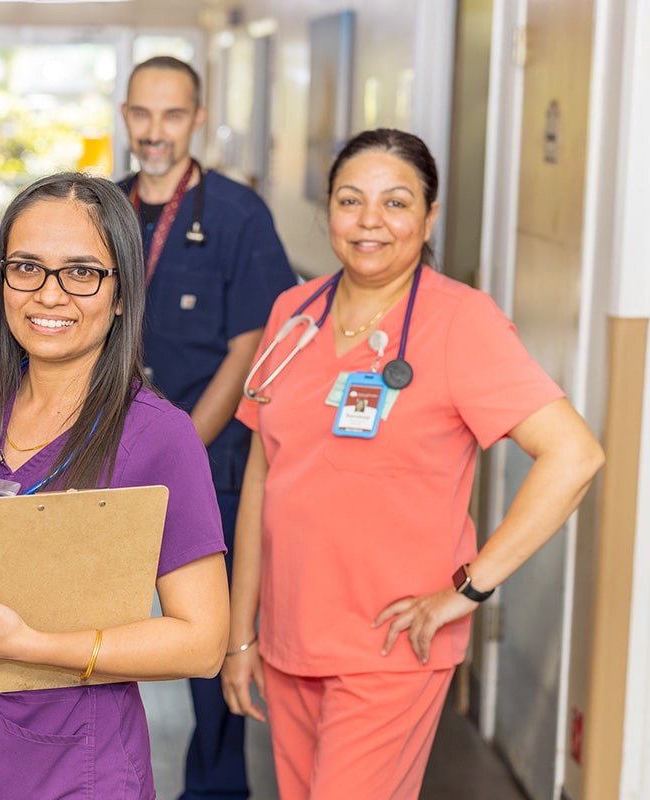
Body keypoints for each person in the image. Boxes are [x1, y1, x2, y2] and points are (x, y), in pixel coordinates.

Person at [220, 128, 604, 799]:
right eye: (350, 200)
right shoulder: (293, 314)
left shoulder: (461, 322)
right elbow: (261, 478)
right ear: (329, 212)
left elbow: (574, 454)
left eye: (396, 202)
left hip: (389, 644)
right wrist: (239, 635)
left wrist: (469, 587)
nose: (370, 221)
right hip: (288, 641)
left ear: (429, 218)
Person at [0, 173, 230, 799]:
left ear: (122, 292)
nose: (49, 295)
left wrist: (35, 645)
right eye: (27, 268)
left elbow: (202, 642)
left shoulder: (157, 437)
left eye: (81, 272)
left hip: (75, 772)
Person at [118, 55, 297, 800]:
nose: (155, 133)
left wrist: (182, 446)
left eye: (172, 115)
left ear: (197, 119)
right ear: (125, 116)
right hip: (111, 460)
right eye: (141, 114)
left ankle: (217, 789)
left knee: (209, 642)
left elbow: (251, 344)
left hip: (207, 459)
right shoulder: (104, 206)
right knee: (97, 631)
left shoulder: (237, 214)